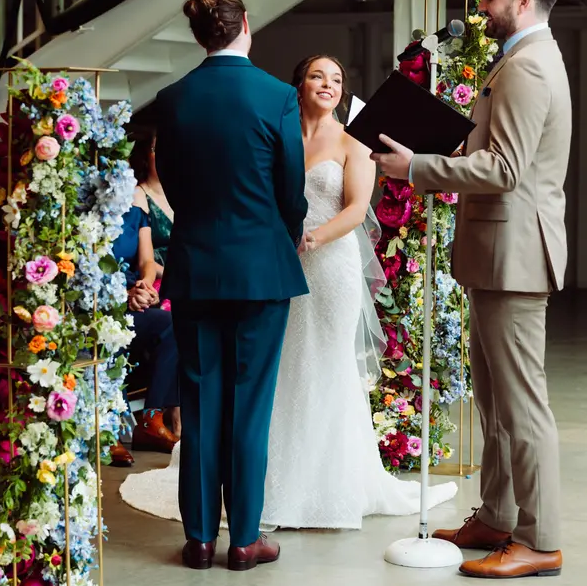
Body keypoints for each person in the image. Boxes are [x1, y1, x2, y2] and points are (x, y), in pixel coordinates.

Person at [119, 56, 457, 527]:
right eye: (318, 76)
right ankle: (271, 484)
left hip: (330, 267)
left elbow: (357, 208)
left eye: (336, 78)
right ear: (298, 86)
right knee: (279, 371)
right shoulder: (278, 133)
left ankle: (328, 485)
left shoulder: (353, 140)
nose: (328, 84)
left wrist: (312, 239)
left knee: (326, 367)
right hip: (275, 265)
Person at [371, 0, 570, 580]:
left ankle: (539, 539)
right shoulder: (520, 59)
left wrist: (416, 167)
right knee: (494, 401)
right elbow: (498, 154)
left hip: (516, 257)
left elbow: (505, 170)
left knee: (522, 406)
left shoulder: (528, 66)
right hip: (498, 255)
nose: (481, 9)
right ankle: (498, 516)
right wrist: (443, 146)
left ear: (523, 1)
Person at [154, 0, 308, 572]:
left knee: (200, 404)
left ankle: (198, 539)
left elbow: (171, 184)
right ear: (246, 22)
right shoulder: (277, 96)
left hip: (195, 266)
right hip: (261, 269)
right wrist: (279, 234)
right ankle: (244, 539)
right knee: (250, 406)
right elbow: (290, 189)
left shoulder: (173, 98)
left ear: (199, 35)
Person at [112, 199, 180, 466]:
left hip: (133, 298)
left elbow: (147, 262)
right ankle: (109, 427)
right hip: (98, 305)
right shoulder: (87, 213)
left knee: (171, 324)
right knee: (108, 335)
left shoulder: (137, 214)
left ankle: (151, 419)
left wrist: (145, 287)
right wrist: (123, 296)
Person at [130, 126, 174, 304]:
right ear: (146, 156)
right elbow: (142, 259)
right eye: (157, 149)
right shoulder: (138, 195)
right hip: (156, 281)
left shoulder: (183, 195)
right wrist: (176, 276)